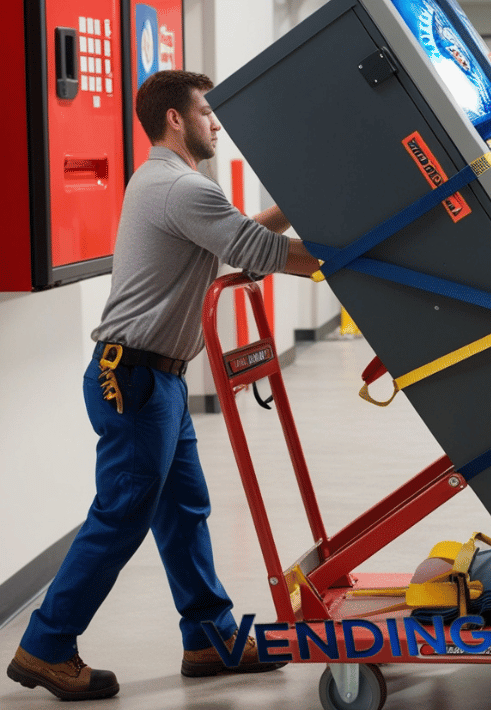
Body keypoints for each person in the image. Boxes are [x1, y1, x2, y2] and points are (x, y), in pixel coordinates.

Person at [6, 70, 321, 701]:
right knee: (122, 514)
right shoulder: (179, 187)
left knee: (183, 510)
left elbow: (239, 235)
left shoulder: (169, 184)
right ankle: (45, 645)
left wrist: (292, 206)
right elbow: (263, 252)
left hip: (157, 380)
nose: (216, 123)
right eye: (206, 112)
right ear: (175, 119)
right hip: (136, 379)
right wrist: (349, 252)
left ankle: (207, 635)